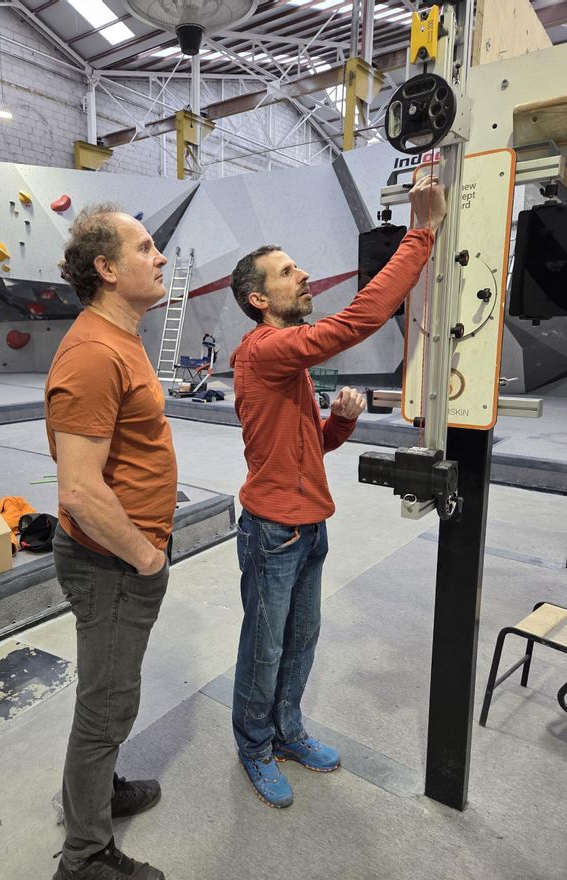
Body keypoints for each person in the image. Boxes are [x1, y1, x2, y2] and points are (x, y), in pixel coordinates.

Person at [229, 175, 447, 808]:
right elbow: (359, 320)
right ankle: (254, 744)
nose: (304, 277)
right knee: (264, 649)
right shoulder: (264, 349)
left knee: (300, 641)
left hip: (308, 527)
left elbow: (305, 453)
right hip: (272, 535)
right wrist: (420, 234)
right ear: (256, 300)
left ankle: (288, 731)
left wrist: (341, 423)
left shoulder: (284, 363)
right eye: (288, 271)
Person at [45, 203, 174, 880]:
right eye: (145, 248)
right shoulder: (95, 353)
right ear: (106, 268)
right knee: (105, 705)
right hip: (112, 565)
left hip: (121, 558)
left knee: (112, 695)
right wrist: (147, 555)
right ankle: (85, 856)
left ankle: (100, 791)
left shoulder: (122, 339)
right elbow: (80, 492)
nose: (158, 258)